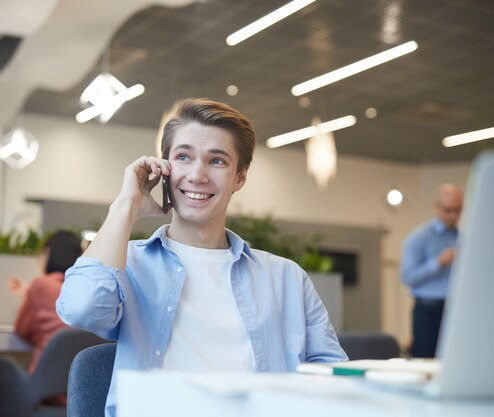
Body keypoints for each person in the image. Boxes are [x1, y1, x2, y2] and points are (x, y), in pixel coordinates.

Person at [56, 98, 347, 417]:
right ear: (164, 168)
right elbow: (82, 309)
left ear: (240, 176)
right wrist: (127, 204)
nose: (197, 174)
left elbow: (334, 377)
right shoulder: (129, 265)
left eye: (217, 161)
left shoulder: (286, 278)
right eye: (183, 157)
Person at [401, 183, 463, 358]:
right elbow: (408, 277)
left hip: (455, 309)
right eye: (448, 210)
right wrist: (438, 262)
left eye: (458, 210)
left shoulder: (462, 237)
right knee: (425, 362)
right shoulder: (418, 237)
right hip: (428, 310)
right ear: (436, 207)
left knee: (454, 360)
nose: (454, 216)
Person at [9, 230, 82, 373]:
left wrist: (29, 294)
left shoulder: (41, 285)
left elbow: (21, 330)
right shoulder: (83, 288)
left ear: (47, 253)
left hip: (46, 381)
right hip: (78, 381)